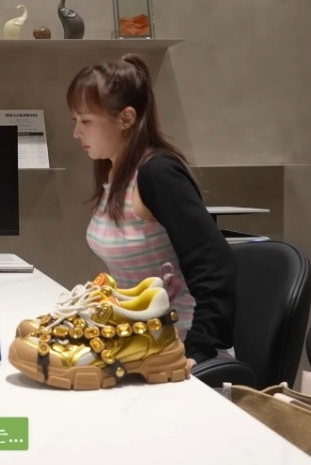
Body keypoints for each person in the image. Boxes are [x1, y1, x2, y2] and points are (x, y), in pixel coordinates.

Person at [67, 53, 236, 367]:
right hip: (140, 338)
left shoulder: (157, 173)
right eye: (75, 121)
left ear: (126, 119)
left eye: (86, 121)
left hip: (180, 346)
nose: (77, 133)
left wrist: (198, 351)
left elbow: (216, 264)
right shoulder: (113, 173)